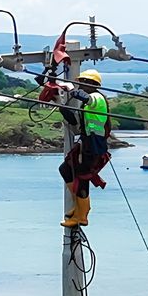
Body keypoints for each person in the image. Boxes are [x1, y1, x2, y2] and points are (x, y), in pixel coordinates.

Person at [58, 69, 110, 227]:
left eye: (83, 82)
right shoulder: (88, 103)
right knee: (66, 169)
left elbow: (87, 98)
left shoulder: (97, 98)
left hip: (94, 144)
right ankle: (78, 206)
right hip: (87, 142)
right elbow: (77, 123)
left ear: (93, 84)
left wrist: (72, 90)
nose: (80, 85)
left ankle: (81, 215)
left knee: (82, 178)